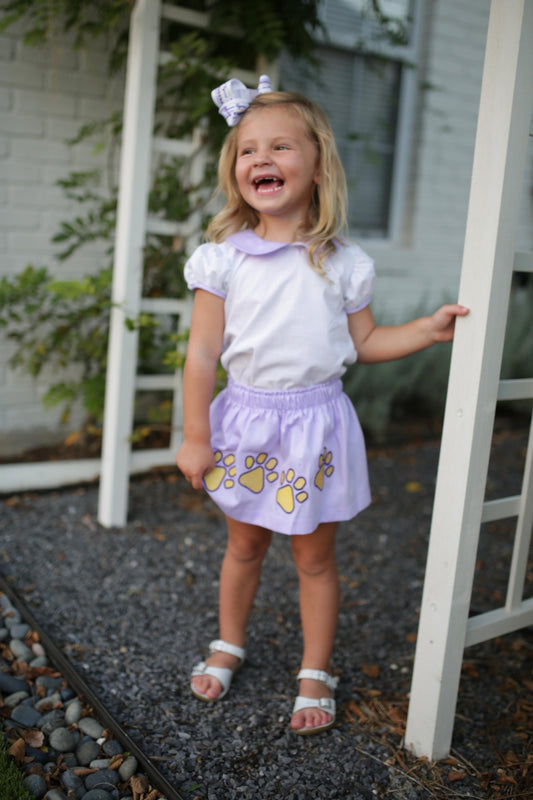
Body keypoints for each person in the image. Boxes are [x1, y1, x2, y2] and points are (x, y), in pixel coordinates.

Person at [176, 74, 468, 735]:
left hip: (315, 427)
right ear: (235, 169)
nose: (261, 160)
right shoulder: (222, 260)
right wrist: (196, 434)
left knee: (313, 557)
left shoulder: (344, 263)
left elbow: (363, 342)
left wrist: (424, 329)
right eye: (248, 150)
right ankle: (229, 640)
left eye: (280, 147)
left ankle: (314, 668)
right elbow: (200, 356)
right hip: (246, 422)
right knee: (243, 545)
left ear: (316, 164)